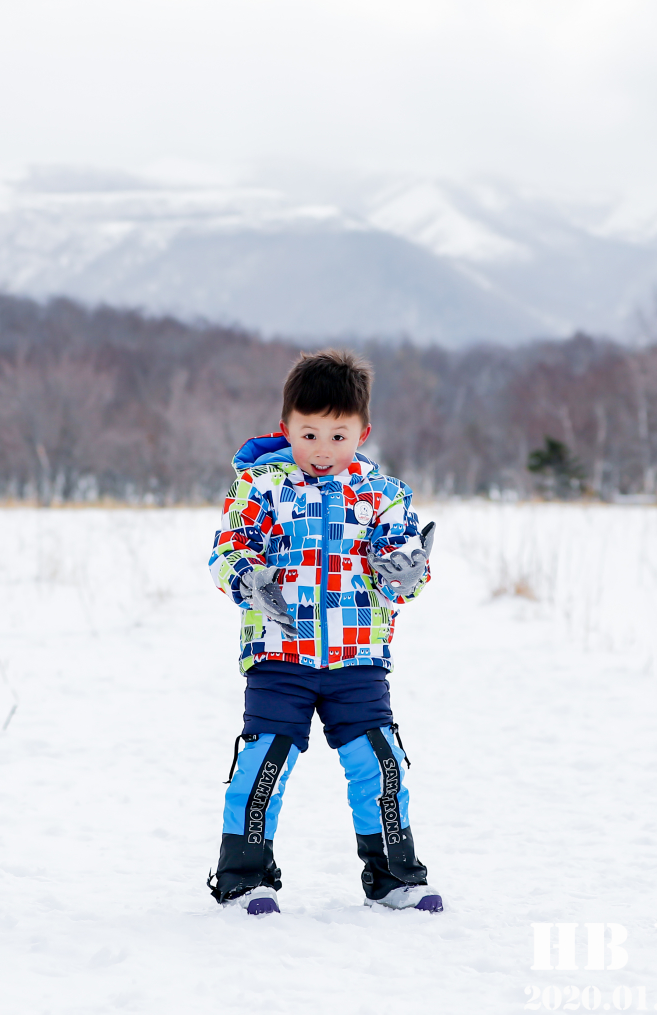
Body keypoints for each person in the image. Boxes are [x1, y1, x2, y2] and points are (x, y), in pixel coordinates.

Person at [204, 348, 442, 916]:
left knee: (379, 762)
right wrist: (249, 578)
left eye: (339, 436)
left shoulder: (383, 496)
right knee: (264, 761)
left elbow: (403, 570)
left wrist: (408, 573)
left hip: (358, 658)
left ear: (363, 431)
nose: (322, 450)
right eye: (309, 434)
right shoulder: (260, 489)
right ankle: (243, 878)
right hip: (279, 655)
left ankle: (393, 877)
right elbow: (227, 552)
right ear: (286, 427)